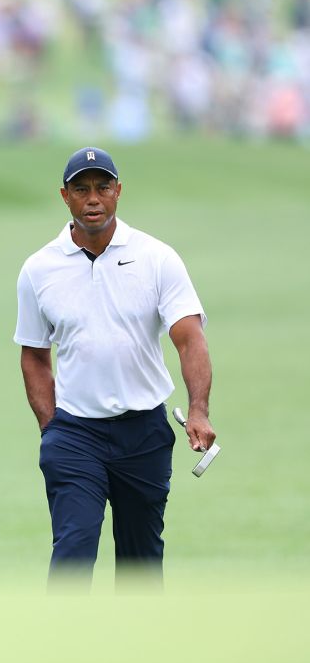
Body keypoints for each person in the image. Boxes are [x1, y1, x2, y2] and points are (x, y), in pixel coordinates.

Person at [14, 146, 215, 588]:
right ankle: (62, 654)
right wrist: (52, 429)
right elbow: (33, 353)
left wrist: (198, 408)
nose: (93, 199)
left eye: (103, 187)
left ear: (118, 191)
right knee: (72, 552)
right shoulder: (38, 269)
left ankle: (136, 653)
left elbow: (189, 337)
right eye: (81, 189)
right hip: (75, 434)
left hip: (143, 432)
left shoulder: (156, 258)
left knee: (140, 564)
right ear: (64, 196)